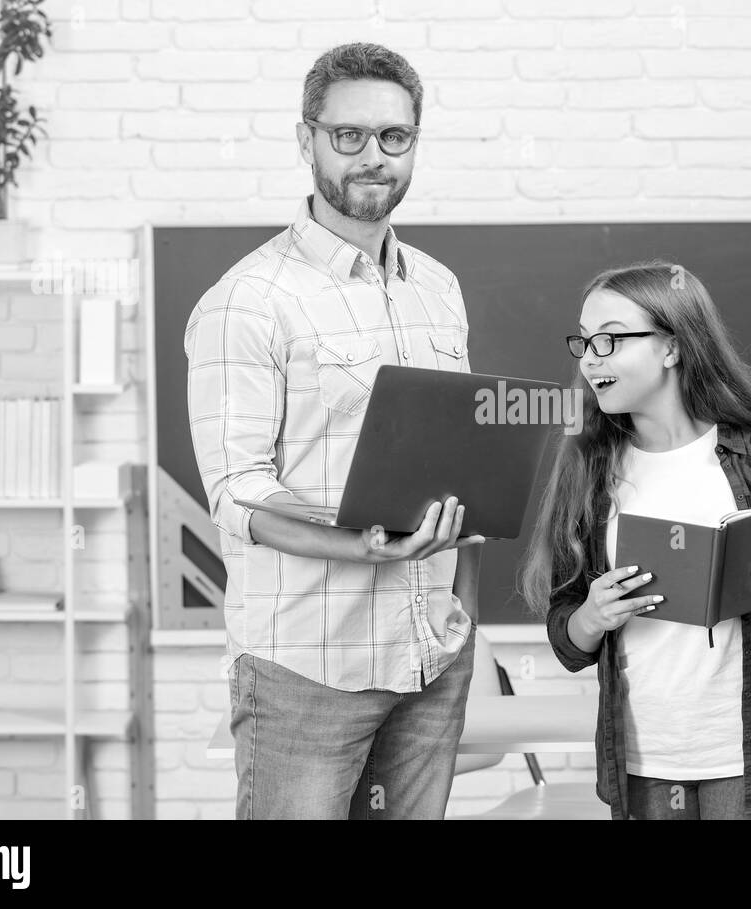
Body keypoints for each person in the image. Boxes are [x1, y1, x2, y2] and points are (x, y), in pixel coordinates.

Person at [184, 43, 483, 820]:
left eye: (394, 137)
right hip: (307, 672)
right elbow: (238, 495)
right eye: (347, 135)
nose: (372, 157)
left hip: (429, 658)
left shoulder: (439, 289)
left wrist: (462, 620)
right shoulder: (248, 300)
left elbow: (460, 464)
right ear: (306, 139)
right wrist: (363, 545)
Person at [519, 261, 751, 820]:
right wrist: (593, 616)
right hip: (644, 760)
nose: (589, 358)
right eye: (583, 342)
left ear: (672, 348)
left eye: (609, 340)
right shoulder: (589, 468)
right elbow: (567, 629)